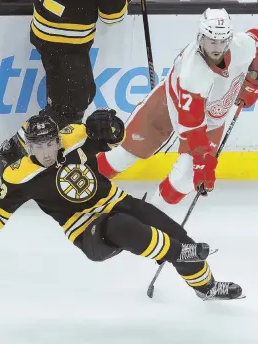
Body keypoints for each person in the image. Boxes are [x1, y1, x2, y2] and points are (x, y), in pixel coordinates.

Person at [0, 108, 243, 301]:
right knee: (128, 228)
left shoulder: (75, 137)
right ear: (28, 147)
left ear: (58, 138)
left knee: (175, 233)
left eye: (51, 143)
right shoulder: (18, 175)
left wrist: (113, 129)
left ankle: (206, 287)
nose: (47, 152)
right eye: (39, 146)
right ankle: (177, 252)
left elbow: (111, 140)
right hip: (88, 233)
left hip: (117, 202)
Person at [97, 8, 258, 209]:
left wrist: (253, 80)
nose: (217, 48)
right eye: (211, 41)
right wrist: (202, 165)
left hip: (211, 119)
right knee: (127, 152)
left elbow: (256, 41)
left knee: (185, 177)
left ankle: (152, 215)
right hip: (169, 102)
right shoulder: (192, 73)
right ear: (200, 38)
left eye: (222, 41)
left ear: (230, 39)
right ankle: (84, 185)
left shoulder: (243, 45)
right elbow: (192, 127)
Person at [0, 0, 129, 187]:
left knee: (70, 103)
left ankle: (16, 162)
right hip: (66, 39)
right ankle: (3, 163)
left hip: (50, 25)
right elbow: (112, 16)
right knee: (68, 108)